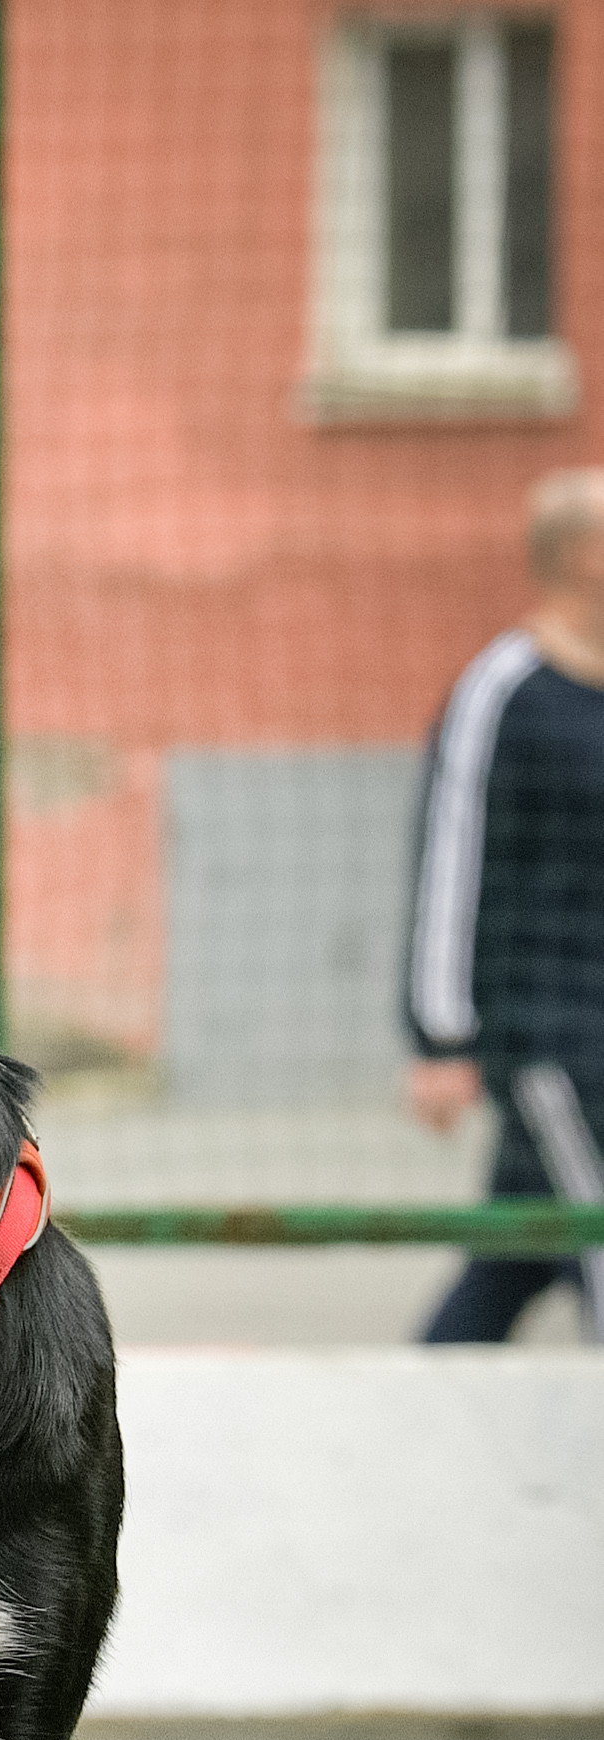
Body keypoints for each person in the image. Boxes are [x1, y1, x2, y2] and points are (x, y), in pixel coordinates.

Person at [405, 467, 604, 1342]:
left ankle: (407, 1411)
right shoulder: (501, 689)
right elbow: (447, 864)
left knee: (510, 1254)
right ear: (578, 554)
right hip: (547, 1040)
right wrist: (440, 1037)